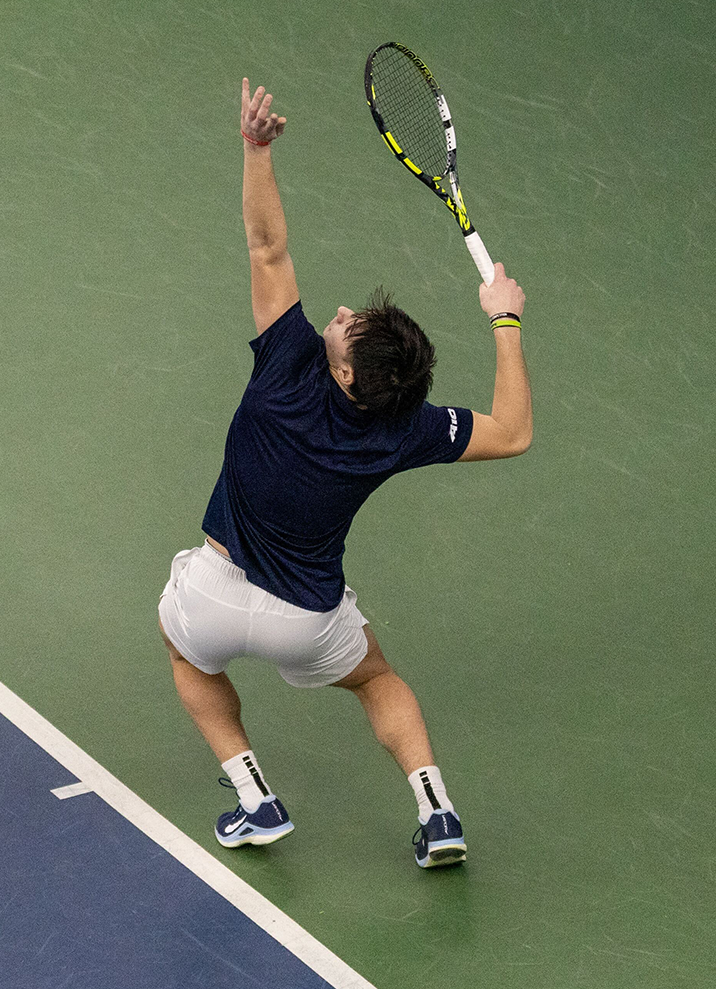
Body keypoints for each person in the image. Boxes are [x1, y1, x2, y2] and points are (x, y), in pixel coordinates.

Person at [156, 78, 530, 869]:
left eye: (350, 328)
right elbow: (513, 431)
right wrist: (503, 316)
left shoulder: (287, 365)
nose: (340, 316)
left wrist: (257, 150)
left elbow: (267, 247)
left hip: (216, 594)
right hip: (309, 622)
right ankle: (438, 815)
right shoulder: (404, 428)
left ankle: (254, 796)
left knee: (183, 652)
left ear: (350, 375)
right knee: (377, 680)